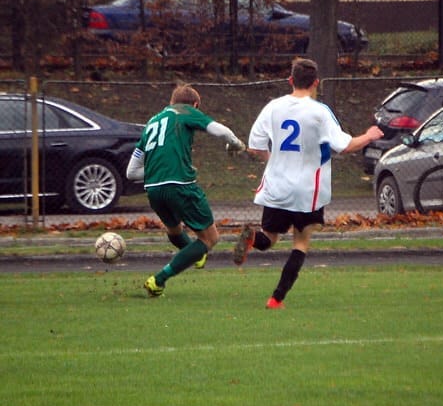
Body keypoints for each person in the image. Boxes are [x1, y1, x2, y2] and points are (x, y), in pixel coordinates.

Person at [233, 58, 384, 309]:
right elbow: (345, 146)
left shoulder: (273, 107)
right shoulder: (319, 111)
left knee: (269, 239)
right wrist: (368, 136)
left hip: (277, 185)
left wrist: (275, 160)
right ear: (316, 83)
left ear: (290, 80)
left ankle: (251, 239)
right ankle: (276, 298)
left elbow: (255, 146)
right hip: (307, 190)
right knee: (300, 243)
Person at [127, 84, 246, 297]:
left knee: (174, 230)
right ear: (196, 105)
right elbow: (222, 131)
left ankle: (193, 253)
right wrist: (235, 145)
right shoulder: (186, 111)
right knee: (210, 239)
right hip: (179, 186)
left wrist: (160, 171)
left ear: (170, 102)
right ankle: (158, 280)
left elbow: (131, 172)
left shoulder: (152, 122)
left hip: (154, 190)